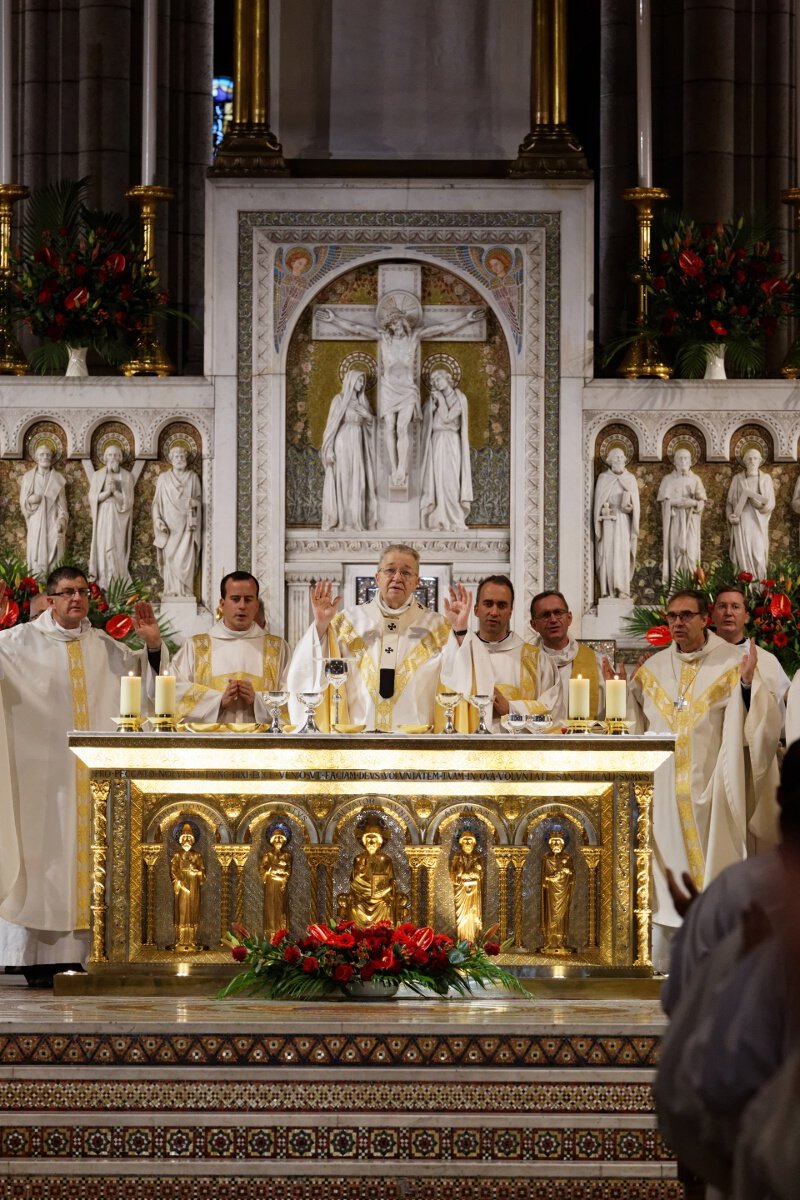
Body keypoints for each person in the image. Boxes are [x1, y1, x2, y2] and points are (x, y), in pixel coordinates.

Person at [0, 566, 166, 986]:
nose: (76, 598)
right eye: (67, 592)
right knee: (42, 860)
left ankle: (85, 956)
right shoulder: (16, 644)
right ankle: (35, 959)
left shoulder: (107, 649)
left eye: (82, 592)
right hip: (38, 779)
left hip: (92, 782)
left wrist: (151, 647)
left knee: (92, 859)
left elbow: (147, 690)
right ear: (50, 600)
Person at [625, 589, 781, 966]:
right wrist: (620, 691)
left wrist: (746, 686)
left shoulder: (733, 662)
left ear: (703, 618)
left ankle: (721, 957)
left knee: (716, 866)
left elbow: (760, 727)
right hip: (663, 795)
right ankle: (667, 961)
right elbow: (633, 726)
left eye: (686, 615)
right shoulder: (653, 670)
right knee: (666, 878)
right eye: (672, 616)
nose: (677, 623)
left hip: (713, 791)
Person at [287, 543, 465, 732]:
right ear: (377, 578)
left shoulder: (439, 627)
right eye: (390, 570)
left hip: (416, 741)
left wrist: (460, 631)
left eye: (406, 572)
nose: (397, 577)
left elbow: (462, 679)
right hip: (357, 739)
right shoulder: (346, 623)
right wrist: (321, 625)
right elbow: (309, 670)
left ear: (417, 581)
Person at [318, 296, 482, 487]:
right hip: (388, 389)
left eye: (395, 323)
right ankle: (394, 467)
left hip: (407, 390)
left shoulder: (414, 338)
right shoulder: (384, 338)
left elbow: (442, 329)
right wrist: (334, 320)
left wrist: (466, 320)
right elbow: (357, 329)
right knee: (389, 427)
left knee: (402, 428)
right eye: (391, 324)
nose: (393, 327)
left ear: (403, 321)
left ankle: (401, 468)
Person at [171, 572, 290, 724]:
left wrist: (258, 701)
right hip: (210, 744)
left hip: (262, 743)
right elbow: (174, 691)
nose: (242, 606)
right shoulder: (196, 647)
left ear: (256, 605)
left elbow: (293, 695)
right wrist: (217, 701)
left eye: (248, 599)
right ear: (222, 604)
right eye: (235, 599)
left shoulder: (278, 649)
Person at [449, 575, 560, 732]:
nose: (494, 612)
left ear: (510, 612)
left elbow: (552, 710)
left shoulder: (537, 660)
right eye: (488, 604)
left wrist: (511, 708)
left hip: (519, 751)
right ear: (476, 609)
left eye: (501, 605)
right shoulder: (460, 654)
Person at [710, 584, 790, 730]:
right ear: (713, 615)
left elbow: (785, 706)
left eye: (735, 607)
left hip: (751, 748)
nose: (728, 612)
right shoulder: (700, 657)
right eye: (722, 606)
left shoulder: (767, 661)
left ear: (746, 617)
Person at [529, 591, 608, 721]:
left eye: (558, 613)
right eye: (545, 615)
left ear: (569, 618)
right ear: (534, 625)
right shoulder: (526, 664)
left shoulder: (596, 662)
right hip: (538, 740)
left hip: (584, 739)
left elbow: (611, 711)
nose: (553, 620)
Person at [320, 369, 377, 531]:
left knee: (358, 482)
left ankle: (356, 520)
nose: (361, 384)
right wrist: (329, 448)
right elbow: (331, 426)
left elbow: (372, 425)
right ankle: (345, 522)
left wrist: (367, 415)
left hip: (358, 443)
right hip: (343, 442)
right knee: (344, 480)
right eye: (359, 380)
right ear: (351, 381)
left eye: (362, 381)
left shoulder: (363, 401)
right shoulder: (339, 400)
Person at [420, 367, 472, 531]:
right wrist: (430, 407)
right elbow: (425, 419)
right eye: (434, 381)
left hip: (450, 441)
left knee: (450, 480)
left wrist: (441, 401)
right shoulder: (434, 398)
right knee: (437, 480)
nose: (436, 383)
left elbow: (449, 418)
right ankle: (439, 518)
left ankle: (454, 519)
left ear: (447, 379)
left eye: (438, 379)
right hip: (436, 441)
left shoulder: (458, 397)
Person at [152, 441, 202, 597]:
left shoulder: (193, 477)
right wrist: (157, 520)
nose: (180, 459)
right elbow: (156, 504)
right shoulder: (163, 478)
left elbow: (200, 501)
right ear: (171, 459)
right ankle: (171, 591)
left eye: (182, 456)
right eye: (177, 456)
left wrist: (195, 503)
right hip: (170, 527)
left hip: (187, 527)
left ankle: (186, 590)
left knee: (186, 558)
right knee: (171, 557)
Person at [593, 445, 640, 599]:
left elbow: (635, 506)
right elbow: (599, 502)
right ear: (610, 461)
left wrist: (630, 508)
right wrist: (604, 511)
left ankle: (622, 590)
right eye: (616, 457)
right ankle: (607, 590)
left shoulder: (630, 479)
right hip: (608, 522)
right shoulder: (603, 478)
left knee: (622, 552)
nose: (619, 460)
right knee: (608, 553)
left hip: (623, 521)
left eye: (621, 457)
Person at [88, 441, 135, 588]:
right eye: (110, 454)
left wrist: (116, 492)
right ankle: (103, 582)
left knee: (116, 547)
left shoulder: (126, 476)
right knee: (102, 546)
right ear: (105, 457)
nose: (113, 457)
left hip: (119, 518)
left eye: (116, 454)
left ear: (120, 457)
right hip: (103, 515)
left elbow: (129, 501)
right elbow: (92, 498)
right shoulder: (98, 475)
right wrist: (107, 492)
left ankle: (117, 581)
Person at [657, 445, 706, 585]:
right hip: (675, 520)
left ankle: (691, 586)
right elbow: (664, 501)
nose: (683, 461)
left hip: (691, 521)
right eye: (680, 458)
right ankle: (677, 587)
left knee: (690, 551)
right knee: (677, 550)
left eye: (686, 458)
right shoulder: (668, 479)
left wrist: (693, 503)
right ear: (675, 462)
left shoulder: (695, 479)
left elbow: (701, 502)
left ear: (690, 461)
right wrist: (678, 503)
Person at [19, 441, 68, 579]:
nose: (45, 457)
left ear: (51, 458)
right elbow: (23, 502)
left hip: (52, 524)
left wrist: (61, 522)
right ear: (37, 457)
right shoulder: (28, 477)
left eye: (48, 455)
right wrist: (31, 500)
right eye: (42, 454)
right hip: (35, 525)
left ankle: (54, 593)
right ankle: (36, 593)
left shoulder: (58, 479)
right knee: (36, 562)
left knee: (53, 562)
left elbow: (63, 507)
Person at [726, 445, 775, 582]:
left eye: (755, 458)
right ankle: (745, 590)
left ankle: (760, 589)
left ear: (759, 461)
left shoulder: (765, 478)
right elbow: (730, 503)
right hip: (742, 522)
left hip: (759, 522)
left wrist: (759, 505)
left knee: (758, 555)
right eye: (749, 459)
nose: (752, 461)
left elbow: (770, 503)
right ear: (745, 461)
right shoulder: (738, 479)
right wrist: (731, 516)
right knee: (743, 555)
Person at [344, 813, 398, 927]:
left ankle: (382, 936)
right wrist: (360, 874)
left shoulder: (386, 860)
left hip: (380, 898)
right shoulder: (358, 859)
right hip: (362, 896)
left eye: (374, 839)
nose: (371, 842)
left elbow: (391, 881)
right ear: (364, 841)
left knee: (385, 905)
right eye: (368, 839)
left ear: (379, 842)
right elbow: (353, 883)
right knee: (355, 907)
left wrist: (387, 889)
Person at [170, 823, 206, 952]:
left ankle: (193, 939)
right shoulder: (177, 855)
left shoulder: (197, 856)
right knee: (182, 911)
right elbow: (173, 870)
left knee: (193, 911)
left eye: (189, 838)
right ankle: (179, 939)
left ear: (192, 840)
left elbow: (202, 872)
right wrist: (179, 881)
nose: (186, 841)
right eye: (184, 838)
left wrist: (195, 871)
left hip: (193, 886)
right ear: (180, 840)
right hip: (182, 887)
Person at [540, 829, 575, 954]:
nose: (556, 845)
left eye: (558, 842)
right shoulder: (547, 858)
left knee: (561, 915)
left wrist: (567, 872)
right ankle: (549, 940)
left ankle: (561, 941)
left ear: (563, 844)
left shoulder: (567, 858)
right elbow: (544, 877)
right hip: (550, 892)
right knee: (550, 914)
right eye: (553, 842)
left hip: (563, 891)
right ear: (550, 844)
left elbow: (572, 875)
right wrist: (550, 878)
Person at [259, 822, 293, 939]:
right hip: (271, 885)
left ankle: (281, 936)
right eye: (276, 838)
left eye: (280, 838)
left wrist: (283, 877)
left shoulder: (287, 855)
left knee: (281, 909)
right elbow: (262, 869)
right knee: (271, 910)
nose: (278, 840)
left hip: (281, 885)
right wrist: (270, 870)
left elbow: (288, 871)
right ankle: (272, 937)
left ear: (284, 840)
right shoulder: (267, 855)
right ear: (272, 840)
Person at [449, 826, 483, 942]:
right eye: (465, 840)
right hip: (461, 890)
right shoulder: (457, 856)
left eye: (470, 840)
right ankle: (462, 940)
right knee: (462, 916)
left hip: (473, 891)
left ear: (474, 843)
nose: (467, 842)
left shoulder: (477, 856)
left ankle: (473, 940)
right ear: (461, 842)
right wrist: (459, 874)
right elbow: (453, 874)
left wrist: (469, 873)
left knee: (472, 913)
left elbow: (479, 874)